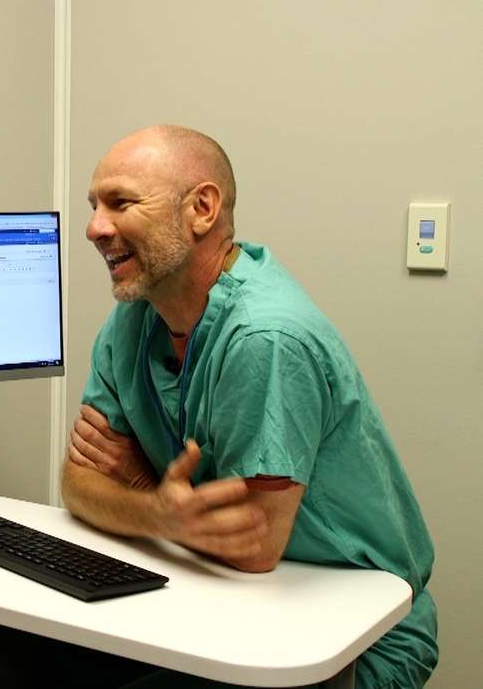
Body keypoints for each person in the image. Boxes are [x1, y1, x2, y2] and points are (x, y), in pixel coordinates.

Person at [62, 126, 437, 688]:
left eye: (120, 202)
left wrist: (142, 493)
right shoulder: (136, 319)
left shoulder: (265, 338)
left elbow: (253, 545)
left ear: (202, 209)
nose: (94, 227)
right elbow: (76, 483)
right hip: (222, 603)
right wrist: (161, 512)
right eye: (94, 206)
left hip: (352, 636)